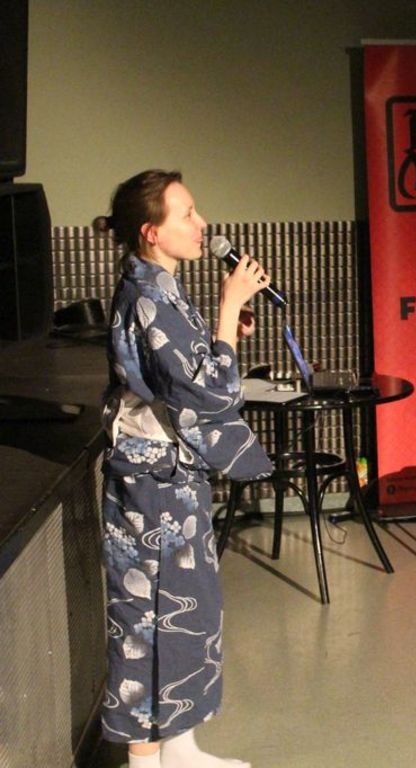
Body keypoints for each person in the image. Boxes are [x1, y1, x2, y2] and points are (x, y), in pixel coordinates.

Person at [97, 170, 275, 768]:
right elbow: (211, 395)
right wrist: (228, 309)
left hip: (170, 478)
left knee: (189, 610)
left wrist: (224, 334)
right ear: (152, 232)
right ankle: (145, 761)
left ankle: (180, 748)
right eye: (187, 214)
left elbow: (191, 372)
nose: (202, 225)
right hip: (152, 485)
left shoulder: (159, 287)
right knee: (147, 620)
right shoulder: (147, 294)